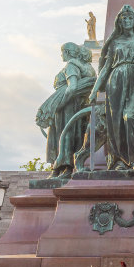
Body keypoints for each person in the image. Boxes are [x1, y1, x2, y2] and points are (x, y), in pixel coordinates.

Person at [96, 6, 134, 169]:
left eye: (130, 18)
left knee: (132, 117)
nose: (127, 20)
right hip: (115, 80)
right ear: (119, 22)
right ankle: (119, 161)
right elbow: (106, 67)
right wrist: (94, 90)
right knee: (115, 121)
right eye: (124, 18)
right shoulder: (114, 42)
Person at [35, 43, 96, 175]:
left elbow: (72, 87)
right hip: (76, 105)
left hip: (66, 107)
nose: (61, 55)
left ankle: (63, 167)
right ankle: (62, 167)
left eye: (62, 52)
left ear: (68, 52)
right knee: (70, 135)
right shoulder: (84, 67)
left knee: (63, 134)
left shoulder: (71, 66)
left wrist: (60, 104)